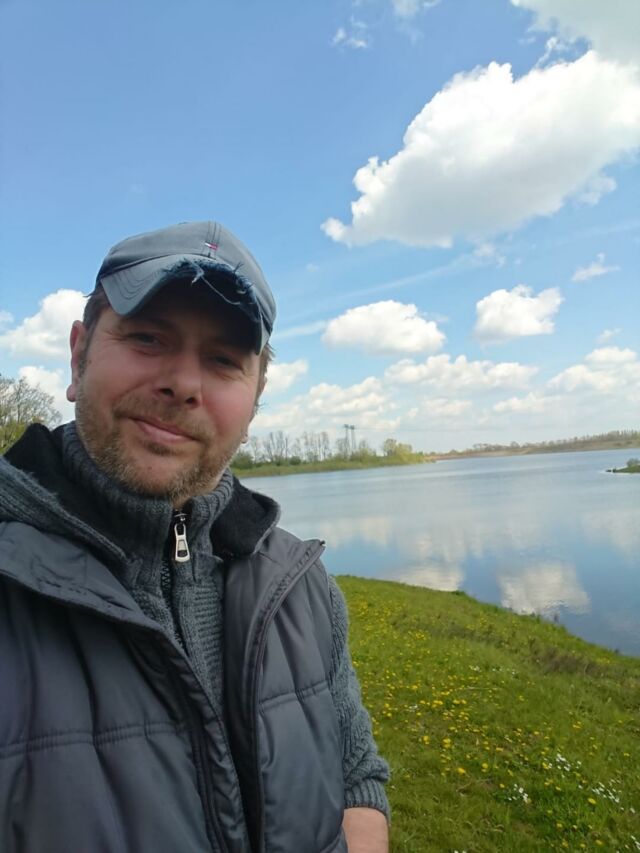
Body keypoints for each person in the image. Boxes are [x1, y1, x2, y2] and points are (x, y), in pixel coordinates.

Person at [0, 221, 389, 852]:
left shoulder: (301, 587)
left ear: (255, 400)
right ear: (78, 356)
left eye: (223, 360)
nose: (183, 384)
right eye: (148, 338)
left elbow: (356, 777)